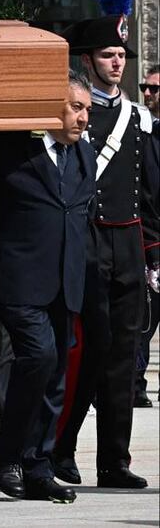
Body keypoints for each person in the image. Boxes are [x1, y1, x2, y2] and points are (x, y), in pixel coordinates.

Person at [0, 73, 95, 504]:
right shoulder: (10, 147)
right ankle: (8, 457)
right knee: (38, 356)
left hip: (66, 281)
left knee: (56, 375)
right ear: (51, 105)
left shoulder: (83, 155)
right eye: (77, 108)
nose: (83, 119)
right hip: (17, 279)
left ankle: (39, 465)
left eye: (88, 111)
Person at [54, 13, 158, 490]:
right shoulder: (71, 112)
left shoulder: (138, 116)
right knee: (85, 354)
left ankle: (114, 460)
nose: (117, 63)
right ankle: (62, 450)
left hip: (129, 244)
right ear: (87, 61)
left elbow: (150, 192)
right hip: (87, 240)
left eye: (120, 56)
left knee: (123, 356)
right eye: (107, 56)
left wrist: (154, 255)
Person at [135, 63, 160, 407]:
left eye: (155, 88)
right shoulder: (143, 136)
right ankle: (135, 383)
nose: (149, 94)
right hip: (149, 241)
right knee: (143, 322)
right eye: (145, 87)